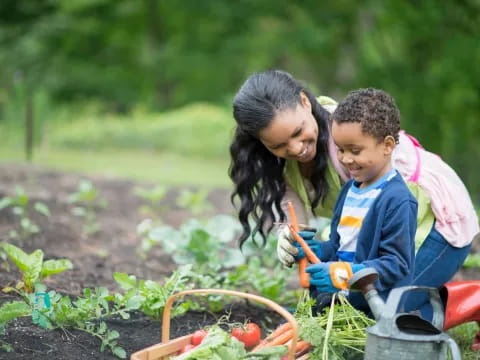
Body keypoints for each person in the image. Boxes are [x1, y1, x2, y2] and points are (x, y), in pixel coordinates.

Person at [229, 70, 479, 318]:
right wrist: (291, 237)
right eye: (278, 145)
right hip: (381, 237)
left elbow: (394, 255)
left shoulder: (357, 144)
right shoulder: (287, 162)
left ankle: (468, 302)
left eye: (297, 132)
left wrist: (346, 275)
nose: (295, 149)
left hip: (438, 225)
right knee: (339, 306)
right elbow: (298, 216)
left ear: (305, 102)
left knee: (384, 310)